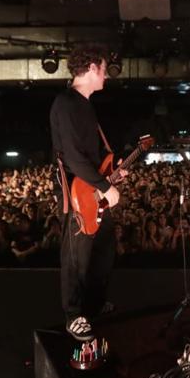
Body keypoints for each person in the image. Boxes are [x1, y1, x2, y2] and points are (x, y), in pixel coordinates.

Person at [50, 44, 126, 341]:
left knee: (103, 250)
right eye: (104, 69)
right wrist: (106, 186)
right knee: (76, 256)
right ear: (92, 68)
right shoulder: (65, 103)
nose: (106, 75)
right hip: (75, 191)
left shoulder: (85, 105)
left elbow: (92, 157)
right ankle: (74, 314)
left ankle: (93, 304)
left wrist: (113, 171)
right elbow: (72, 157)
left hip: (93, 189)